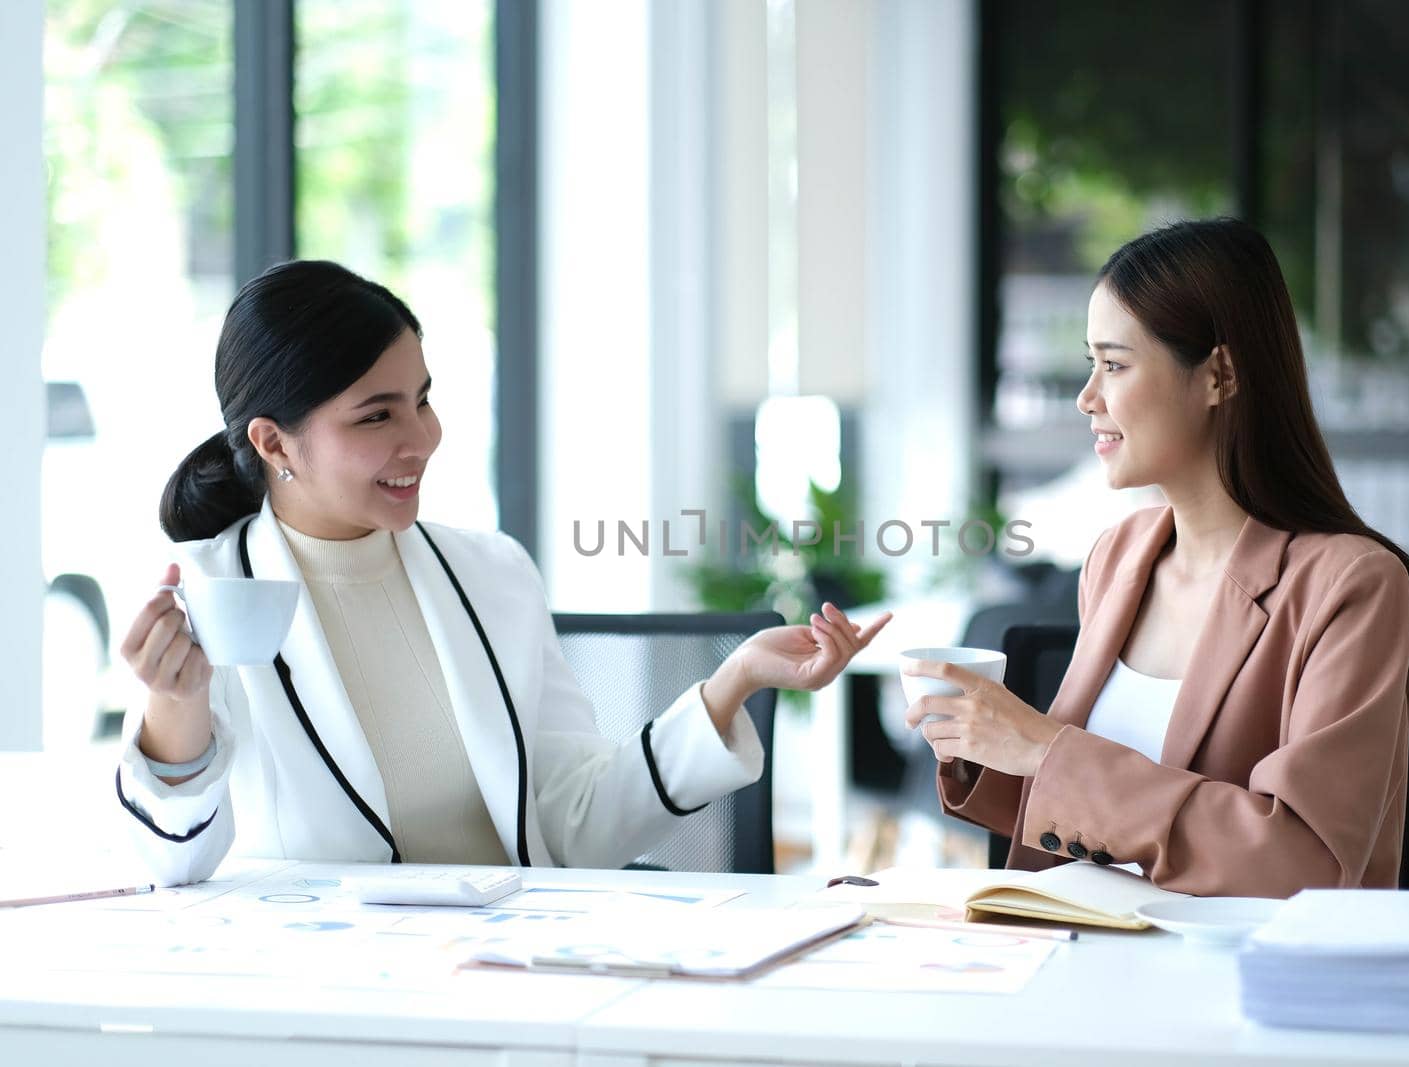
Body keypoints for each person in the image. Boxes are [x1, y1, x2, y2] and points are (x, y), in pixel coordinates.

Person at [118, 260, 888, 886]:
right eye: (376, 415)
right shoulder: (207, 595)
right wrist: (173, 707)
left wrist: (735, 681)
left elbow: (578, 822)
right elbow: (176, 865)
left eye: (422, 401)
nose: (422, 438)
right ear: (276, 443)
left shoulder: (491, 572)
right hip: (335, 1004)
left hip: (513, 981)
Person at [907, 218, 1409, 898]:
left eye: (1115, 364)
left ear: (1218, 374)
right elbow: (1087, 815)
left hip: (1246, 988)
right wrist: (982, 745)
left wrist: (1044, 746)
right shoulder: (1118, 558)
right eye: (1089, 363)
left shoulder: (1351, 586)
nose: (1086, 396)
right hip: (1084, 958)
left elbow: (1306, 863)